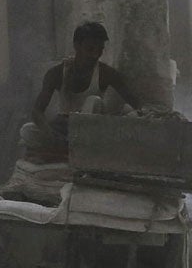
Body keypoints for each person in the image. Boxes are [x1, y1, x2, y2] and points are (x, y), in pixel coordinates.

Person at [21, 20, 139, 162]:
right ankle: (67, 151)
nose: (95, 55)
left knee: (94, 101)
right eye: (90, 49)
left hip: (89, 131)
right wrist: (49, 133)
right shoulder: (57, 73)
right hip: (62, 129)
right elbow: (37, 111)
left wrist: (136, 116)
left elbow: (134, 101)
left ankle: (61, 154)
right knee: (27, 131)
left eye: (100, 50)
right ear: (77, 46)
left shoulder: (106, 73)